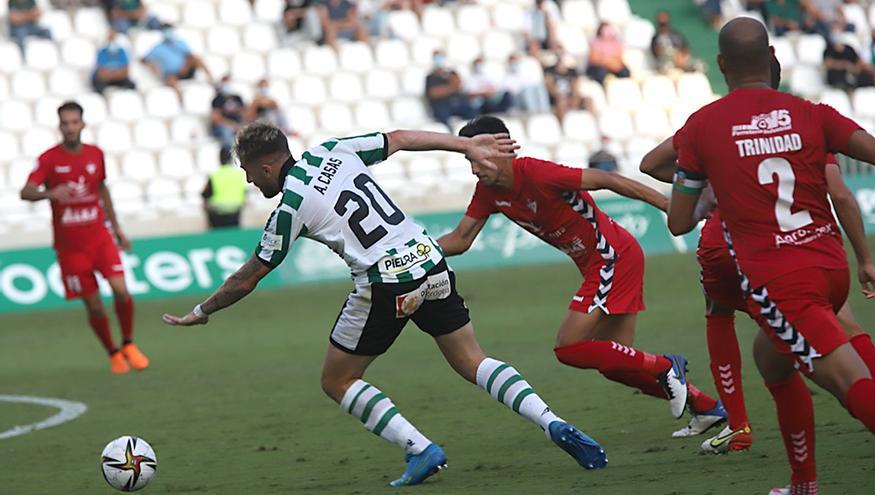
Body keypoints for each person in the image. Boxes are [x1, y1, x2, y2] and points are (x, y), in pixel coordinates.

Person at [162, 122, 609, 486]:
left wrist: (201, 312)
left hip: (385, 281)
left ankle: (420, 449)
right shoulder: (333, 149)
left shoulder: (290, 205)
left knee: (337, 380)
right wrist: (464, 146)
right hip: (428, 258)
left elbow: (248, 277)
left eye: (247, 170)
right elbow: (403, 139)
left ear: (265, 165)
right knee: (473, 359)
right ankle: (551, 421)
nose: (246, 179)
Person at [666, 18, 875, 495]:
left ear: (721, 65)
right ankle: (802, 484)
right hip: (830, 266)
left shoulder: (702, 125)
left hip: (782, 281)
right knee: (771, 359)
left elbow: (679, 222)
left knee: (848, 382)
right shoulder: (812, 113)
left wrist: (715, 191)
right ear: (770, 58)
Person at [438, 115, 727, 437]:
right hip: (602, 262)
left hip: (611, 258)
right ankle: (706, 407)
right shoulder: (488, 191)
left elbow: (607, 179)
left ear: (503, 150)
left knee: (568, 348)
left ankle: (666, 365)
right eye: (469, 160)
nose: (474, 168)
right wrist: (411, 252)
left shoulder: (536, 172)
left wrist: (665, 203)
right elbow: (460, 240)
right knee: (618, 363)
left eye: (476, 158)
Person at [19, 101, 149, 374]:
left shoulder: (95, 154)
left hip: (99, 237)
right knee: (93, 305)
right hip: (71, 248)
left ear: (82, 124)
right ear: (60, 126)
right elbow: (25, 192)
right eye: (64, 123)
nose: (69, 128)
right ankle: (113, 352)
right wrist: (49, 193)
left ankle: (128, 343)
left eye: (74, 122)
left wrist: (116, 229)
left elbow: (102, 190)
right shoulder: (48, 159)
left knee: (121, 290)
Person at [142, 27, 213, 97]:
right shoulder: (157, 47)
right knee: (170, 79)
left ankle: (210, 78)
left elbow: (189, 55)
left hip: (185, 70)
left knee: (197, 58)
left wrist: (184, 66)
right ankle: (180, 95)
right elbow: (144, 59)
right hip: (172, 74)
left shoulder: (180, 43)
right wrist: (152, 65)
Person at [425, 50, 478, 129]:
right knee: (442, 111)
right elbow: (434, 93)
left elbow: (460, 86)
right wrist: (451, 87)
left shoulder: (451, 74)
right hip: (441, 106)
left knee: (472, 109)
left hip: (454, 104)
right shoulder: (431, 77)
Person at [202, 146, 247, 229]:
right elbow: (244, 193)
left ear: (219, 158)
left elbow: (205, 194)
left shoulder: (215, 174)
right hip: (235, 211)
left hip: (218, 212)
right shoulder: (239, 174)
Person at [210, 75, 246, 150]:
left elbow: (244, 114)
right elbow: (216, 119)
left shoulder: (238, 98)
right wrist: (232, 125)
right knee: (226, 131)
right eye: (225, 82)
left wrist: (239, 125)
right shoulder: (217, 100)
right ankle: (229, 154)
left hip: (237, 125)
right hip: (223, 127)